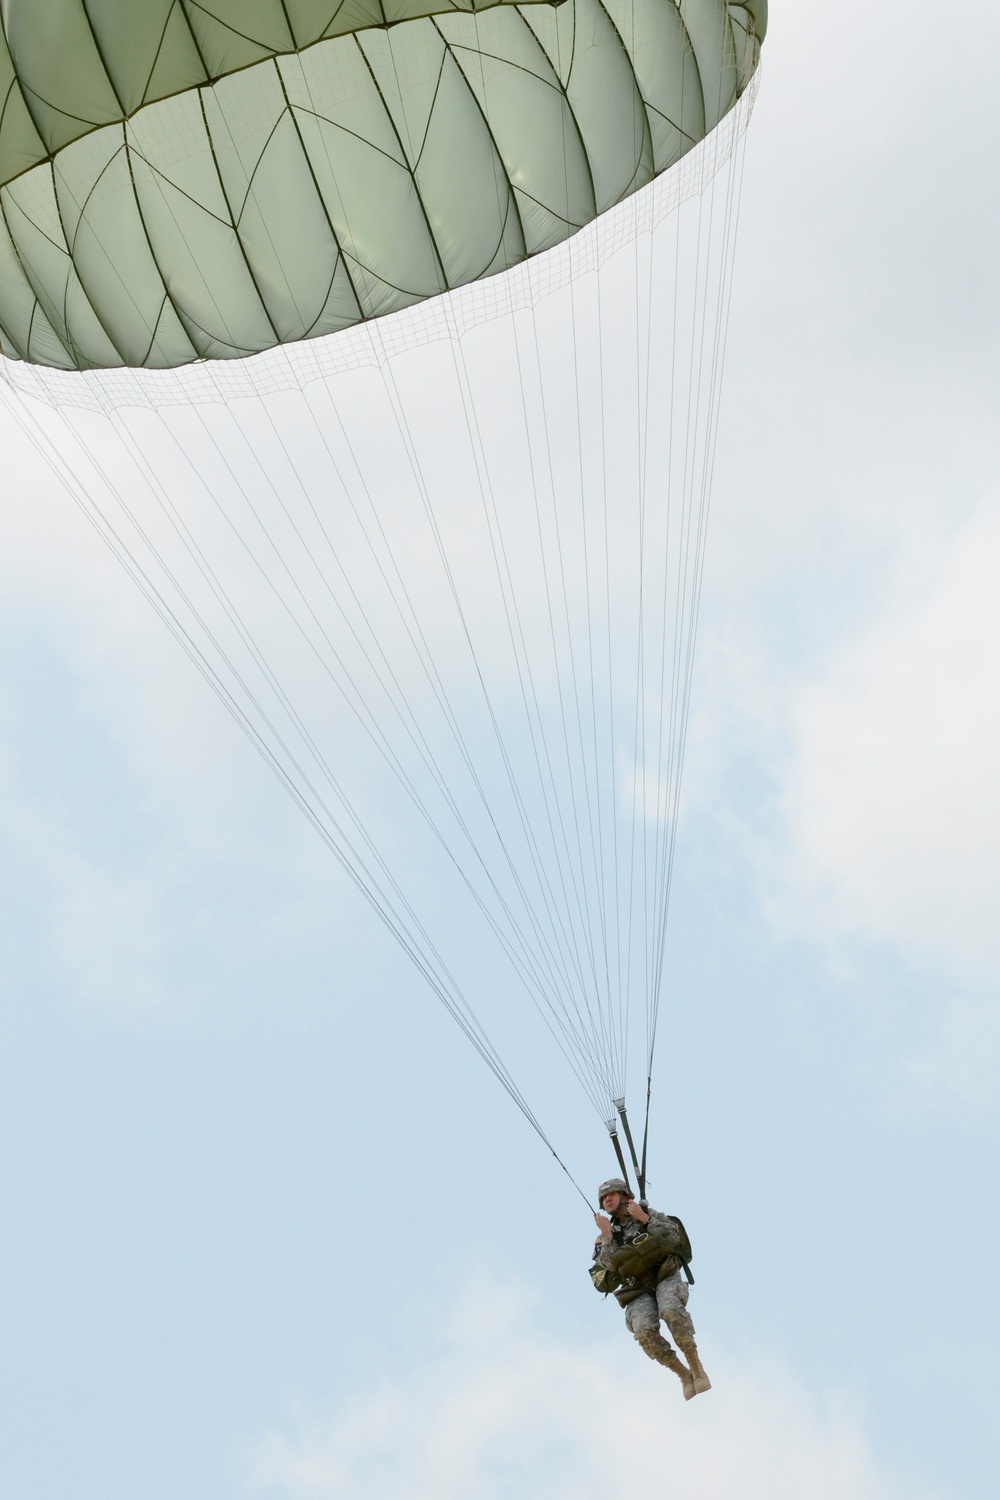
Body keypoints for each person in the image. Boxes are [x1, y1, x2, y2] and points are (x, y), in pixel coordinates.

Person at [592, 1177, 711, 1400]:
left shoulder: (648, 1213)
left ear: (624, 1196)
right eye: (603, 1198)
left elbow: (673, 1235)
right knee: (644, 1332)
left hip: (665, 1276)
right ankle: (683, 1374)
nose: (607, 1199)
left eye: (611, 1195)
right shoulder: (607, 1233)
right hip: (638, 1289)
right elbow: (607, 1265)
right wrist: (607, 1235)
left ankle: (696, 1365)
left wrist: (644, 1218)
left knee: (670, 1311)